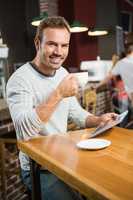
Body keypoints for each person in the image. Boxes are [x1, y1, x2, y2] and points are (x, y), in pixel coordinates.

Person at [6, 16, 117, 200]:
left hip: (65, 158)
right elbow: (25, 132)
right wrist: (58, 94)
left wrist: (98, 120)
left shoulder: (63, 73)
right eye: (52, 44)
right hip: (39, 169)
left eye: (64, 45)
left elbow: (76, 113)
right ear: (37, 43)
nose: (59, 52)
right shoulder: (20, 80)